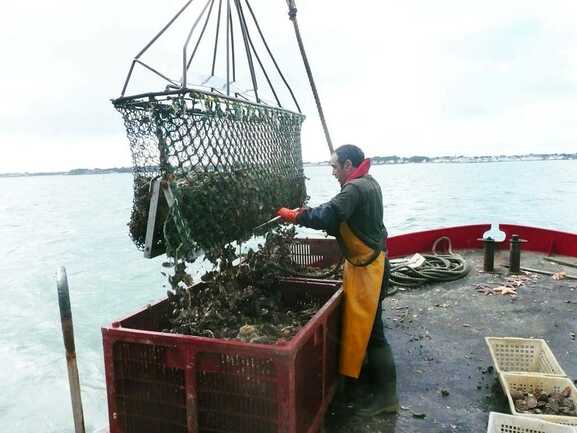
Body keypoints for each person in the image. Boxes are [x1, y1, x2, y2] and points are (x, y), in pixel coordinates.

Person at [276, 144, 399, 416]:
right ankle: (366, 377)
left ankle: (388, 398)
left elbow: (329, 215)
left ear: (347, 165)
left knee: (375, 333)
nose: (331, 172)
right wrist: (310, 212)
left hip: (370, 270)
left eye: (334, 166)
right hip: (370, 263)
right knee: (369, 328)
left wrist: (297, 216)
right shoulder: (368, 182)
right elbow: (339, 214)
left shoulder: (355, 189)